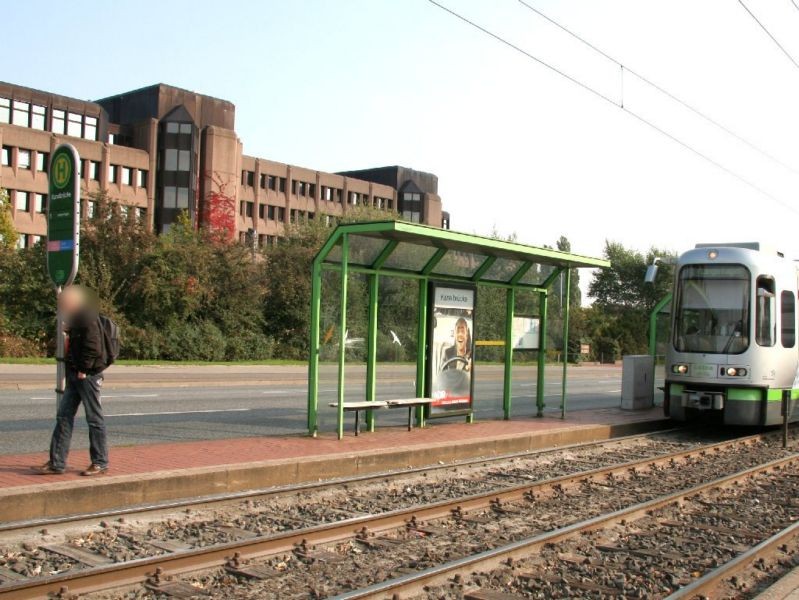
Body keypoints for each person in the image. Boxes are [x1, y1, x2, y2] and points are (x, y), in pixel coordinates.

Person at [33, 285, 109, 476]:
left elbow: (94, 346)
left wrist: (83, 369)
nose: (61, 306)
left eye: (63, 303)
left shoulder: (87, 316)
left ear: (74, 301)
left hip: (87, 376)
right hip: (76, 375)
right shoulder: (77, 317)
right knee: (64, 417)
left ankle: (100, 462)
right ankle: (57, 463)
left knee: (94, 419)